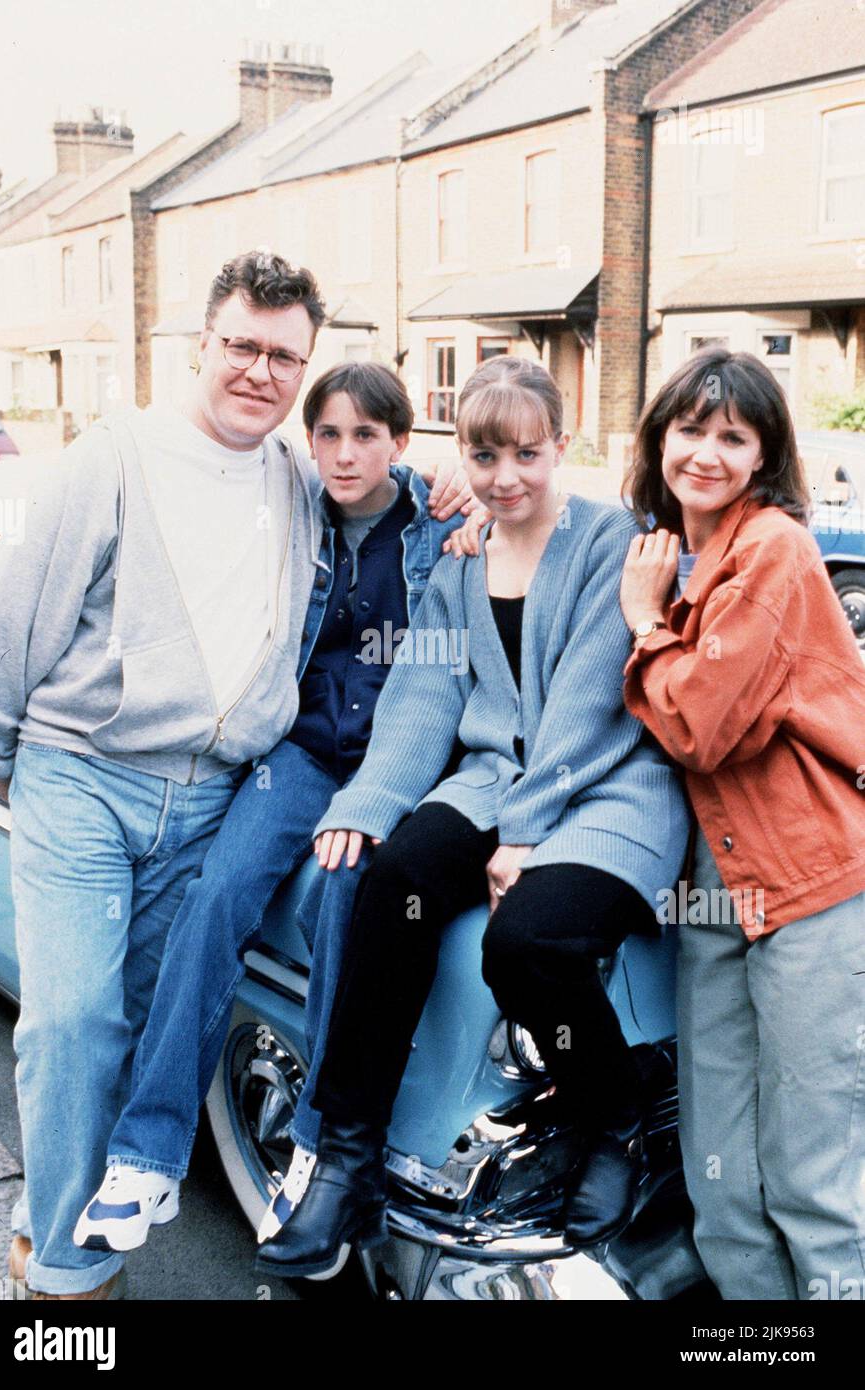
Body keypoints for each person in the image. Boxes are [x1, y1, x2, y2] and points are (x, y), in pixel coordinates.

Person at [0, 251, 468, 1300]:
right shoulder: (116, 457)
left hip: (211, 793)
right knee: (71, 1022)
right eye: (241, 345)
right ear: (202, 344)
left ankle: (47, 1214)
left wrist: (450, 483)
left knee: (144, 1020)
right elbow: (7, 617)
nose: (259, 370)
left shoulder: (294, 474)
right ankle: (64, 1283)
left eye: (283, 355)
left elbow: (383, 485)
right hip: (85, 775)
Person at [255, 355, 691, 1279]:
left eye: (526, 455)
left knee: (528, 943)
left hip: (608, 787)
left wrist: (526, 835)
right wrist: (369, 803)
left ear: (560, 447)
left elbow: (587, 698)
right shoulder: (463, 556)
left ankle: (612, 1113)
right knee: (388, 882)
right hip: (498, 778)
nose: (505, 478)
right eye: (486, 456)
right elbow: (424, 693)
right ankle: (347, 1161)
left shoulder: (612, 538)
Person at [72, 362, 469, 1255]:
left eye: (366, 434)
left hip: (395, 764)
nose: (342, 452)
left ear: (401, 443)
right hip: (297, 750)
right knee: (214, 899)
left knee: (344, 900)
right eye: (326, 432)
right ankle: (148, 1155)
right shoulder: (292, 512)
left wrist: (467, 493)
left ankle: (315, 1141)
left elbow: (529, 527)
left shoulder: (437, 527)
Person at [618, 346, 865, 1301]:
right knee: (719, 1170)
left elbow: (701, 723)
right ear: (659, 439)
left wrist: (647, 627)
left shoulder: (771, 546)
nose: (707, 454)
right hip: (717, 889)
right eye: (690, 430)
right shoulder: (668, 547)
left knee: (812, 1176)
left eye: (734, 436)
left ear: (763, 457)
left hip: (810, 877)